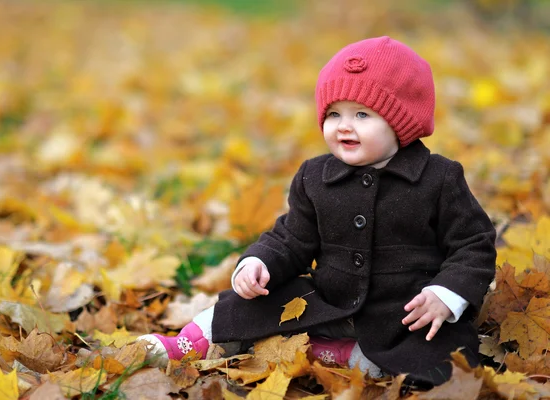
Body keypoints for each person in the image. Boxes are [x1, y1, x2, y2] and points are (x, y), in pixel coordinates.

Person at [137, 36, 497, 387]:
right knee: (243, 304)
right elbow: (293, 239)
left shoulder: (438, 178)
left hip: (403, 314)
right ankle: (186, 344)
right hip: (328, 301)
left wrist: (447, 294)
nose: (344, 125)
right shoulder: (316, 176)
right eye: (334, 113)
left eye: (362, 114)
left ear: (401, 121)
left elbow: (474, 243)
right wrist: (259, 263)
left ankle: (341, 356)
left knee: (438, 362)